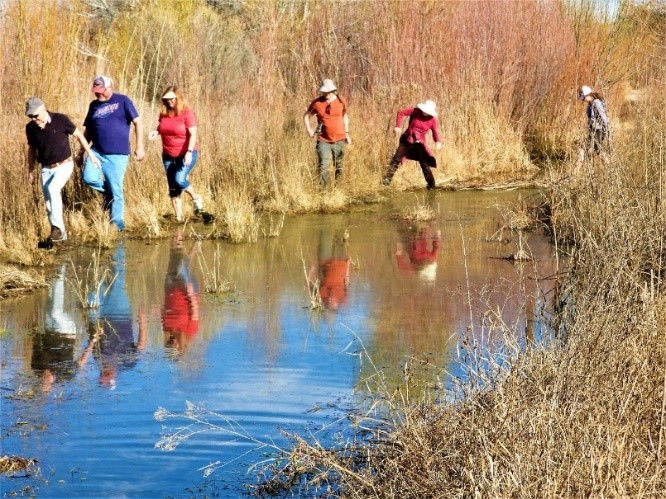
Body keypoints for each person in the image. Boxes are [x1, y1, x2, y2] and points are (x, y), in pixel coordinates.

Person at [25, 96, 101, 243]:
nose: (33, 118)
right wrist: (30, 170)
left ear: (43, 108)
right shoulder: (30, 128)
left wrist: (90, 155)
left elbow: (79, 135)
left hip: (65, 165)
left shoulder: (60, 120)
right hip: (46, 169)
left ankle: (57, 230)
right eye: (30, 116)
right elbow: (32, 150)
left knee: (53, 189)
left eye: (35, 115)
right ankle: (61, 236)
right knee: (48, 203)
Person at [82, 75, 145, 231]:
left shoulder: (123, 101)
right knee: (88, 177)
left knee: (116, 188)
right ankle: (109, 195)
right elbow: (88, 131)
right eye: (95, 91)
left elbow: (137, 122)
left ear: (109, 87)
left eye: (100, 90)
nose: (97, 94)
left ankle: (117, 225)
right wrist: (80, 152)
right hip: (96, 152)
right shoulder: (93, 106)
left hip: (117, 155)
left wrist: (140, 146)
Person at [148, 86, 203, 222]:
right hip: (167, 155)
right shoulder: (164, 113)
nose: (169, 102)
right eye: (166, 99)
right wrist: (157, 132)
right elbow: (162, 127)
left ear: (177, 98)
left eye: (171, 99)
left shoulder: (187, 113)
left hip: (186, 153)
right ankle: (179, 218)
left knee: (179, 179)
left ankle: (195, 198)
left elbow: (193, 134)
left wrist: (189, 152)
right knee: (173, 186)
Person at [382, 100, 442, 190]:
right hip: (408, 139)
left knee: (424, 164)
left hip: (420, 143)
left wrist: (438, 142)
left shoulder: (432, 120)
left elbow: (435, 133)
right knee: (396, 158)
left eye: (427, 111)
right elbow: (400, 113)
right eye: (424, 110)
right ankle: (387, 180)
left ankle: (431, 185)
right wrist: (397, 126)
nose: (425, 112)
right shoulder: (416, 111)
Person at [303, 78, 351, 187]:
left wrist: (347, 133)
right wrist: (309, 129)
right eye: (324, 92)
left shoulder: (341, 100)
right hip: (323, 140)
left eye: (328, 92)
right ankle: (323, 192)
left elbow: (345, 116)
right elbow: (306, 116)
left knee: (339, 166)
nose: (326, 94)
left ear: (333, 91)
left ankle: (338, 189)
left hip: (340, 139)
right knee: (324, 165)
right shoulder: (317, 103)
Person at [162, 227, 200, 354]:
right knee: (181, 267)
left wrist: (158, 308)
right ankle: (180, 231)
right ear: (181, 347)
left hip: (170, 289)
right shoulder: (190, 332)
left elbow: (165, 311)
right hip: (187, 291)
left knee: (174, 258)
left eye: (169, 346)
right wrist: (189, 293)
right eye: (175, 347)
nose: (172, 344)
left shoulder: (166, 329)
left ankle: (193, 244)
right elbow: (194, 311)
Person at [577, 85, 610, 164]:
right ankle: (609, 166)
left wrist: (607, 130)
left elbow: (603, 117)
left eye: (584, 98)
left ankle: (576, 171)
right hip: (594, 130)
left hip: (598, 130)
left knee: (583, 148)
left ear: (588, 95)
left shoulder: (596, 103)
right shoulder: (590, 104)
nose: (583, 100)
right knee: (598, 150)